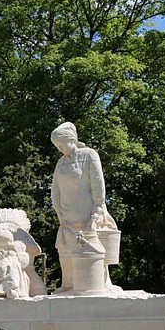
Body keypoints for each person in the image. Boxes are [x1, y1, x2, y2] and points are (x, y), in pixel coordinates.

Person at [50, 121, 117, 291]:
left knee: (91, 250)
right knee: (65, 250)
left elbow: (97, 183)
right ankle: (69, 285)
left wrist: (98, 207)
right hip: (67, 217)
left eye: (60, 144)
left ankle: (96, 285)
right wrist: (59, 212)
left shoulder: (89, 155)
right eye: (56, 146)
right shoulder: (61, 163)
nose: (59, 149)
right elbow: (55, 190)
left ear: (71, 140)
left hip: (88, 214)